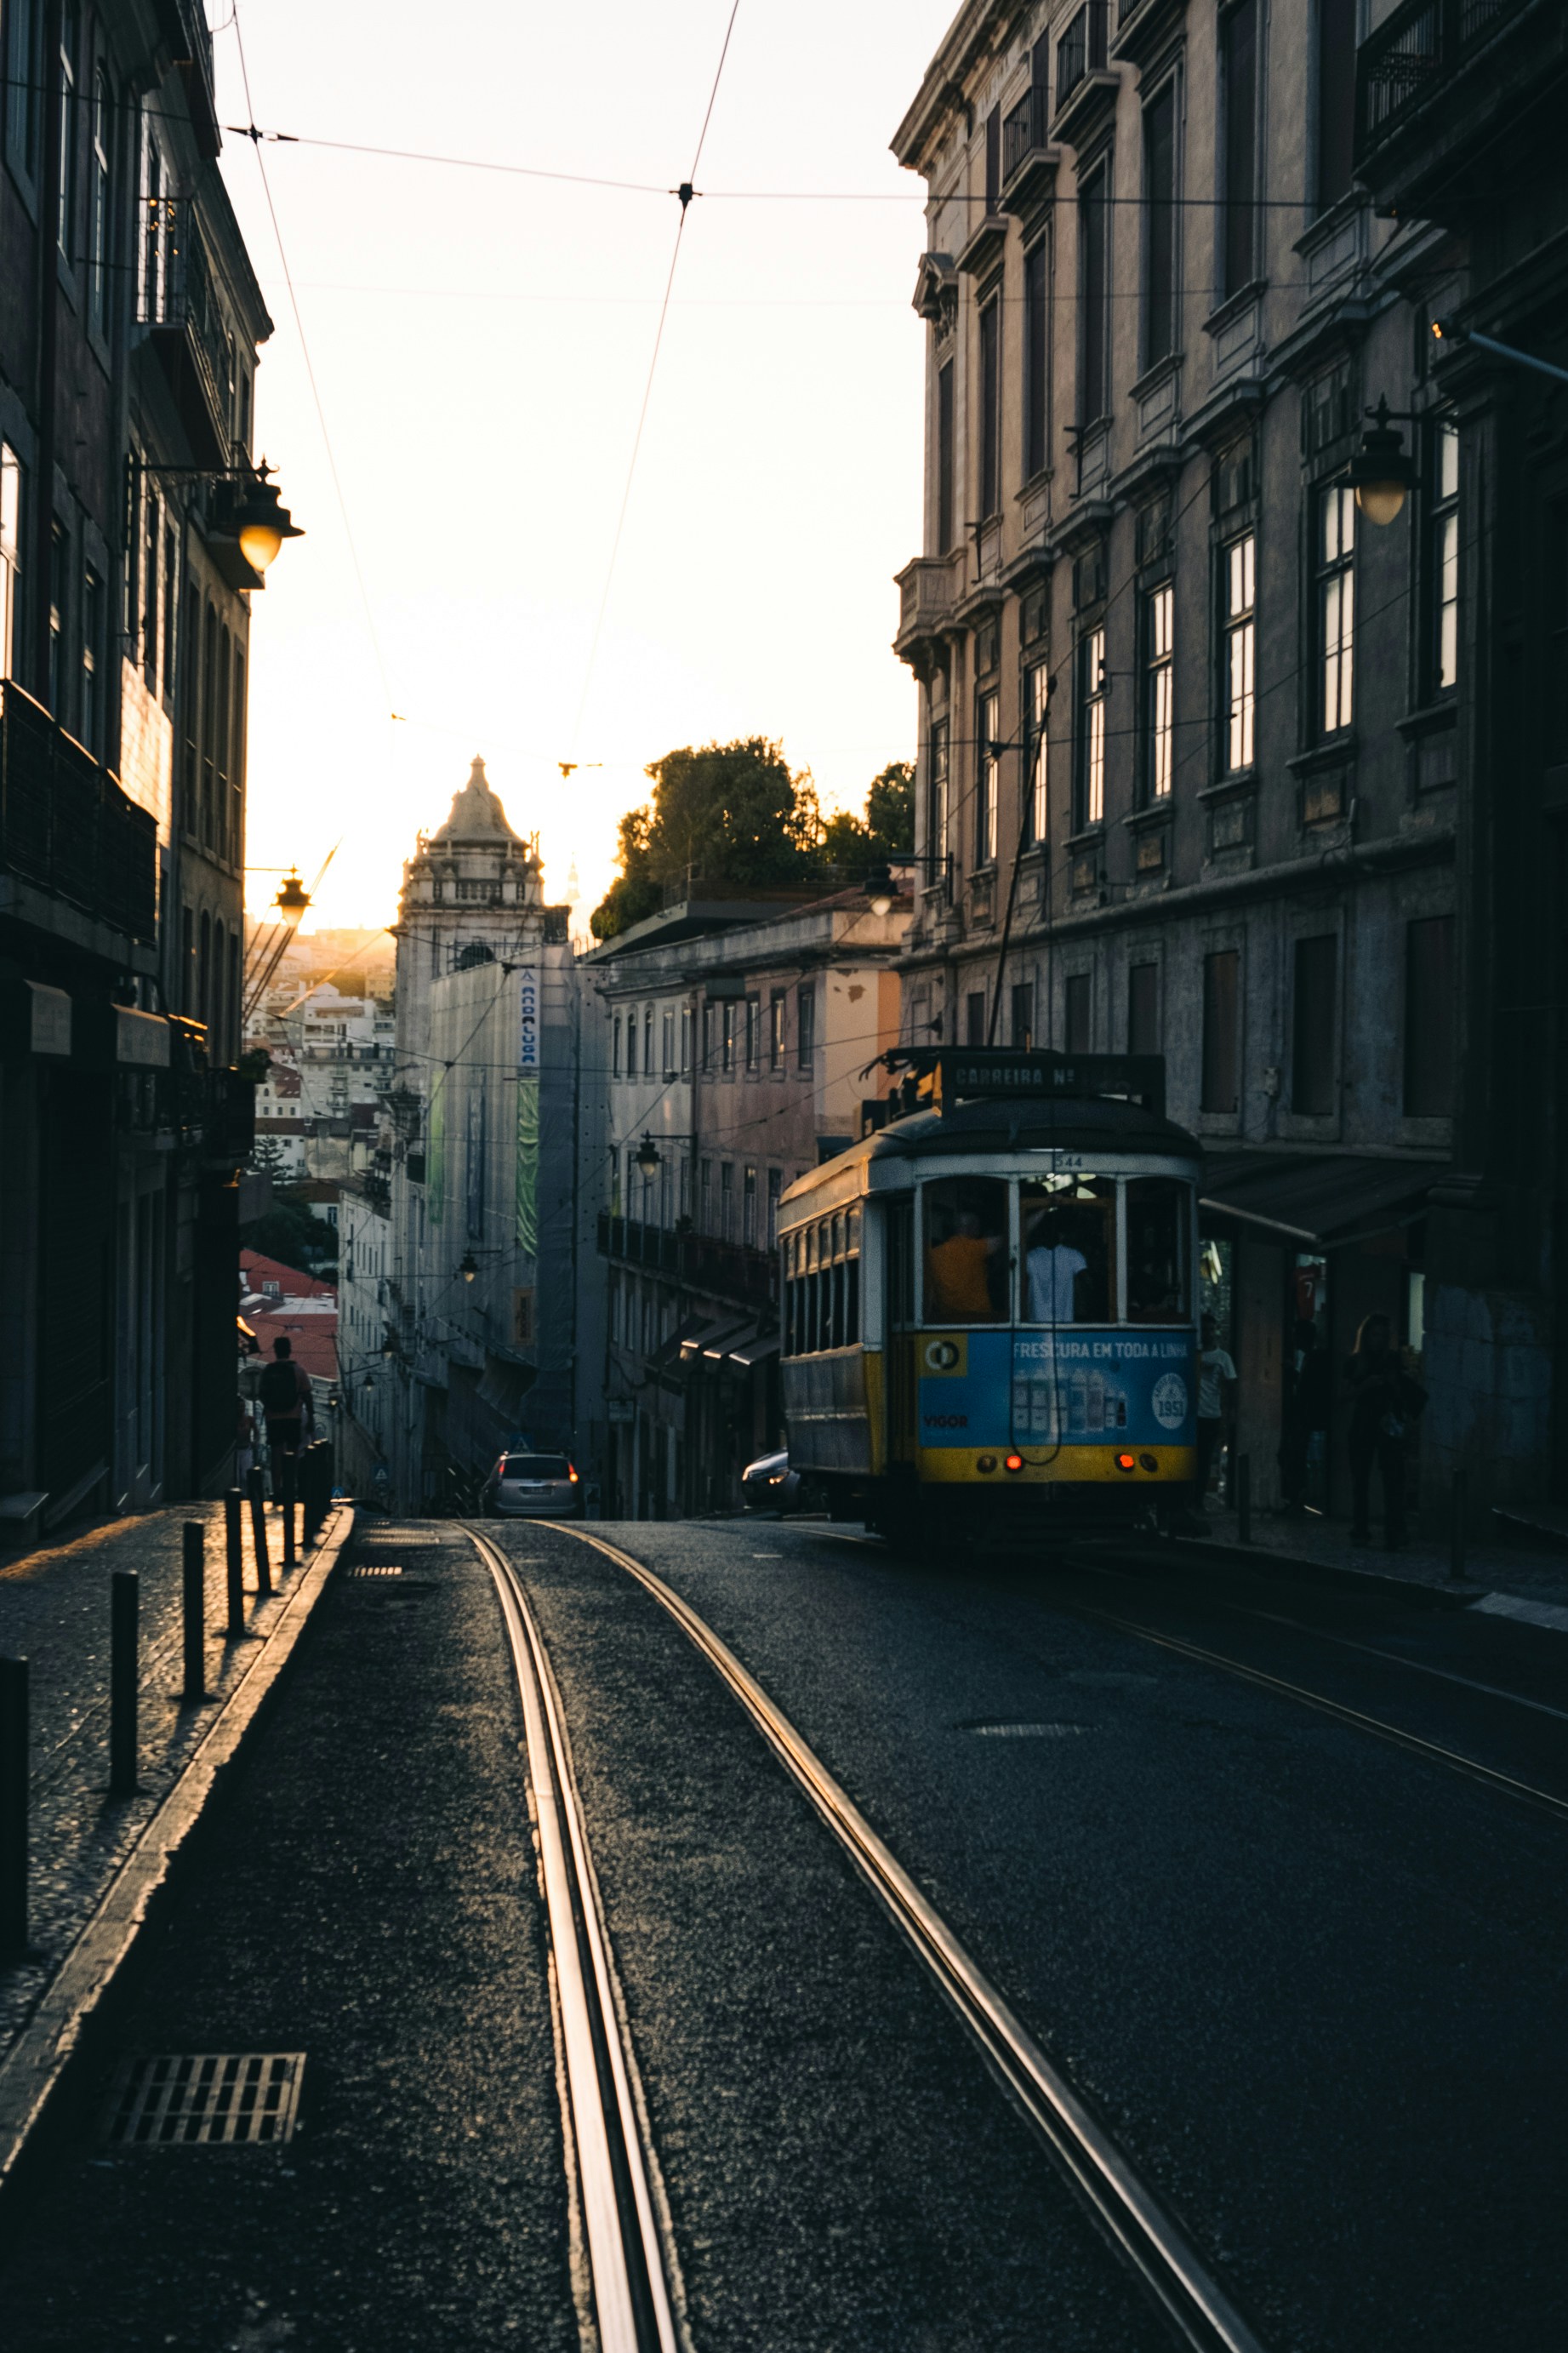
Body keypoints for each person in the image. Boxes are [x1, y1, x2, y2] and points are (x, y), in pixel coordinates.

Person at [1345, 1312, 1427, 1549]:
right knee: (1361, 1480)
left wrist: (1394, 1382)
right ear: (1366, 1336)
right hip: (1363, 1424)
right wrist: (1365, 1385)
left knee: (1393, 1480)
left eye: (1383, 1335)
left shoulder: (1392, 1360)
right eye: (1375, 1335)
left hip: (1388, 1425)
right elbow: (1343, 1394)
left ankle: (1394, 1530)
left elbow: (1403, 1392)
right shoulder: (1355, 1362)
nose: (1379, 1340)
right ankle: (1361, 1529)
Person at [1280, 1317, 1333, 1509]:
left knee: (1294, 1457)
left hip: (1305, 1417)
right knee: (1294, 1457)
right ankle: (1297, 1498)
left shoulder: (1314, 1358)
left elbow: (1308, 1388)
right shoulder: (1311, 1357)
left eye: (1296, 1335)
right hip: (1305, 1416)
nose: (1293, 1339)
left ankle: (1297, 1498)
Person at [258, 1335, 314, 1499]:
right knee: (293, 1452)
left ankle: (277, 1489)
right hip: (293, 1417)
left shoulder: (268, 1370)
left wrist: (270, 1407)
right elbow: (307, 1395)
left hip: (273, 1418)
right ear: (290, 1350)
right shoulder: (298, 1370)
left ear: (275, 1351)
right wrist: (310, 1417)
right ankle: (290, 1485)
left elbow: (261, 1393)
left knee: (276, 1453)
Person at [926, 1206, 1003, 1322]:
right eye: (978, 1228)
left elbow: (930, 1296)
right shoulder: (973, 1248)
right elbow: (1006, 1240)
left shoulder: (934, 1253)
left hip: (948, 1321)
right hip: (980, 1318)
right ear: (972, 1228)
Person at [1195, 1313, 1237, 1510]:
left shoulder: (1223, 1358)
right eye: (1205, 1330)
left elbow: (1231, 1386)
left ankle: (1197, 1498)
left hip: (1211, 1414)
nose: (1208, 1334)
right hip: (1194, 1415)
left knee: (1204, 1459)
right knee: (1194, 1459)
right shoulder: (1194, 1354)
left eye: (1211, 1330)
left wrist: (1230, 1412)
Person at [1024, 1213, 1089, 1322]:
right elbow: (1086, 1284)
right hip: (1065, 1322)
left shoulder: (1030, 1257)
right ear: (1061, 1235)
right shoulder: (1074, 1256)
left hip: (1036, 1322)